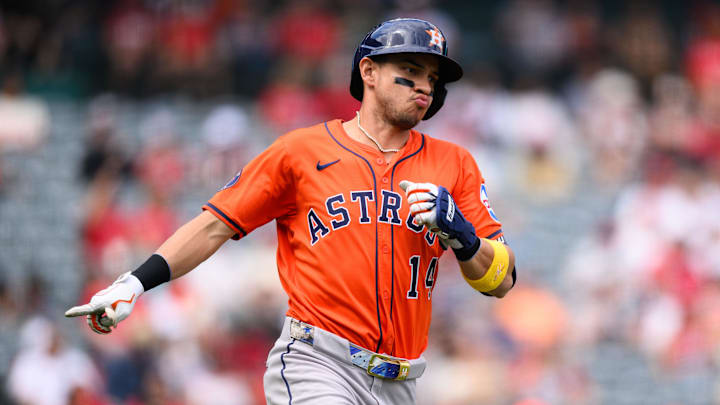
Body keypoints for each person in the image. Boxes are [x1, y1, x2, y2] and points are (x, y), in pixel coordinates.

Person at [66, 18, 517, 404]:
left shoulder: (454, 163)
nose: (424, 84)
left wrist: (465, 237)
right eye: (411, 69)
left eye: (433, 78)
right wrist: (135, 282)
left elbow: (502, 280)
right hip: (318, 362)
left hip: (401, 381)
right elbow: (212, 226)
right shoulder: (302, 151)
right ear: (369, 71)